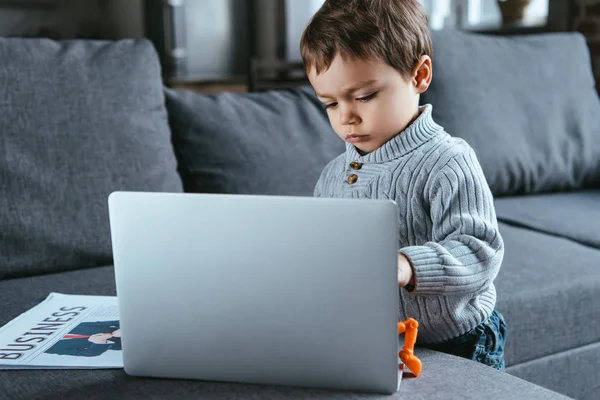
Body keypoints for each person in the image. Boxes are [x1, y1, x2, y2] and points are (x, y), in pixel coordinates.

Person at [300, 0, 506, 369]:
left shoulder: (448, 161)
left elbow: (480, 252)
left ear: (419, 75)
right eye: (329, 104)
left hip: (459, 339)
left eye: (364, 96)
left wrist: (407, 265)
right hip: (382, 339)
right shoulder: (332, 176)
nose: (346, 116)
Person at [45, 320, 121, 357]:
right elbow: (90, 353)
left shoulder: (58, 325)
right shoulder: (50, 349)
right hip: (121, 344)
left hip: (120, 329)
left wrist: (122, 326)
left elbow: (101, 324)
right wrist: (98, 343)